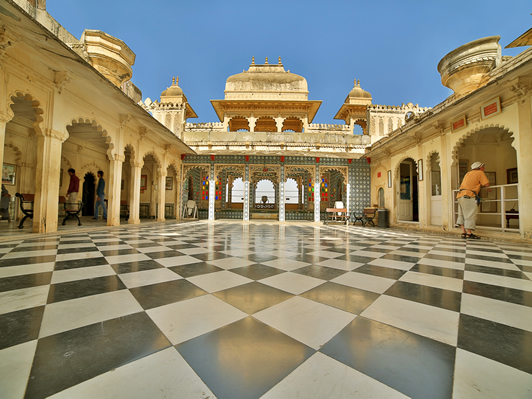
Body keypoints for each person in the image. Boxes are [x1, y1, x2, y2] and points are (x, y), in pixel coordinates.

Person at [456, 161, 491, 239]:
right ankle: (469, 233)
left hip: (460, 195)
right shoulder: (480, 173)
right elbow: (487, 184)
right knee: (470, 214)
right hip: (468, 195)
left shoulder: (468, 173)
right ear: (479, 167)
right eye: (483, 167)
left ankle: (463, 233)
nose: (484, 168)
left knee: (461, 214)